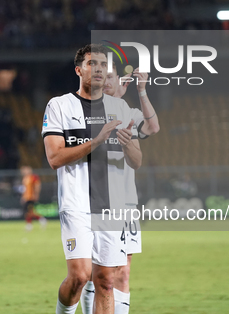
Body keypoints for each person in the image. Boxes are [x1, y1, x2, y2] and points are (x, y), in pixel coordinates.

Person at [43, 43, 142, 314]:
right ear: (79, 70)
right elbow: (54, 158)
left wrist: (127, 145)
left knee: (106, 281)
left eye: (103, 65)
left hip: (110, 207)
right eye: (91, 64)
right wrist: (97, 140)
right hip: (76, 204)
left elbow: (136, 161)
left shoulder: (119, 108)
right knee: (79, 276)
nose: (98, 69)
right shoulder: (59, 106)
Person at [80, 63, 160, 314]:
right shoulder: (88, 111)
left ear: (119, 81)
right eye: (102, 77)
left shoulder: (128, 112)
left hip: (126, 203)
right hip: (97, 201)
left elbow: (153, 127)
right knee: (96, 273)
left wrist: (142, 90)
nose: (106, 81)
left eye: (111, 77)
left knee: (123, 272)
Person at [20, 165, 46, 231]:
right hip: (26, 197)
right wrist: (23, 197)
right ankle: (38, 221)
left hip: (31, 197)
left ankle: (38, 221)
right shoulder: (25, 178)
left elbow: (37, 186)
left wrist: (36, 194)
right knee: (29, 212)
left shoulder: (33, 177)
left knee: (29, 212)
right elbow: (24, 189)